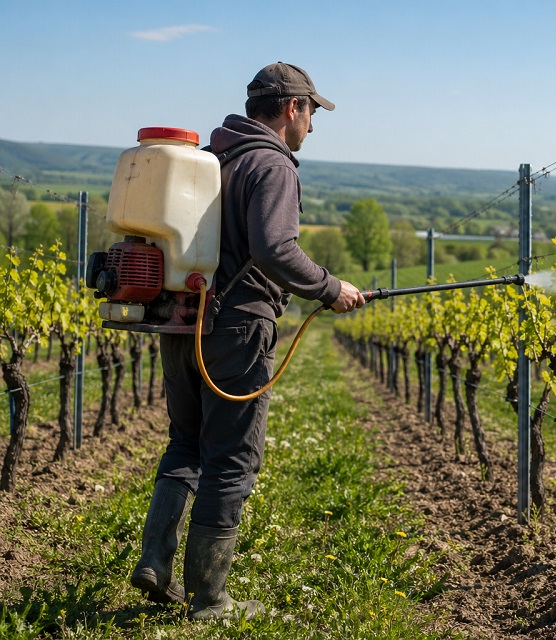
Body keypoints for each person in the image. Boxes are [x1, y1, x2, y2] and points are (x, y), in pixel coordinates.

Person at [129, 61, 365, 620]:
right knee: (233, 457)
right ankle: (209, 600)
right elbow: (274, 250)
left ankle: (154, 562)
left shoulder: (217, 159)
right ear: (292, 109)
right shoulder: (272, 165)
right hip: (236, 332)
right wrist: (330, 288)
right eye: (311, 113)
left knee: (187, 444)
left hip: (183, 323)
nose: (312, 126)